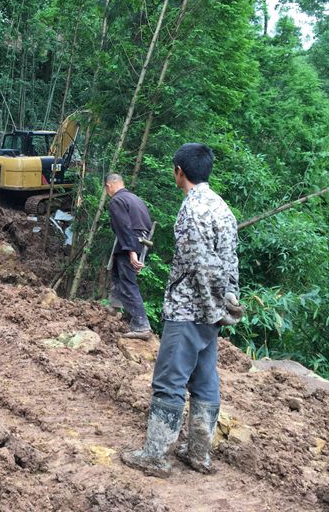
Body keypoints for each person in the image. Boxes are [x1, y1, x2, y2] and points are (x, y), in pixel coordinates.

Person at [121, 143, 241, 478]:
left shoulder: (192, 210)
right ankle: (199, 454)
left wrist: (210, 307)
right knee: (205, 381)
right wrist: (227, 301)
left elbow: (200, 265)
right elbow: (231, 261)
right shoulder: (222, 208)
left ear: (179, 171)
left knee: (169, 381)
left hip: (189, 311)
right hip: (212, 315)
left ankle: (155, 456)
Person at [105, 173, 153, 339]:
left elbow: (123, 227)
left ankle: (141, 326)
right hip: (141, 241)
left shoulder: (117, 201)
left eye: (106, 190)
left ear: (109, 186)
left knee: (127, 282)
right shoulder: (135, 199)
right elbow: (146, 225)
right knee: (118, 274)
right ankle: (114, 306)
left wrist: (132, 253)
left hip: (130, 241)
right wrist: (139, 252)